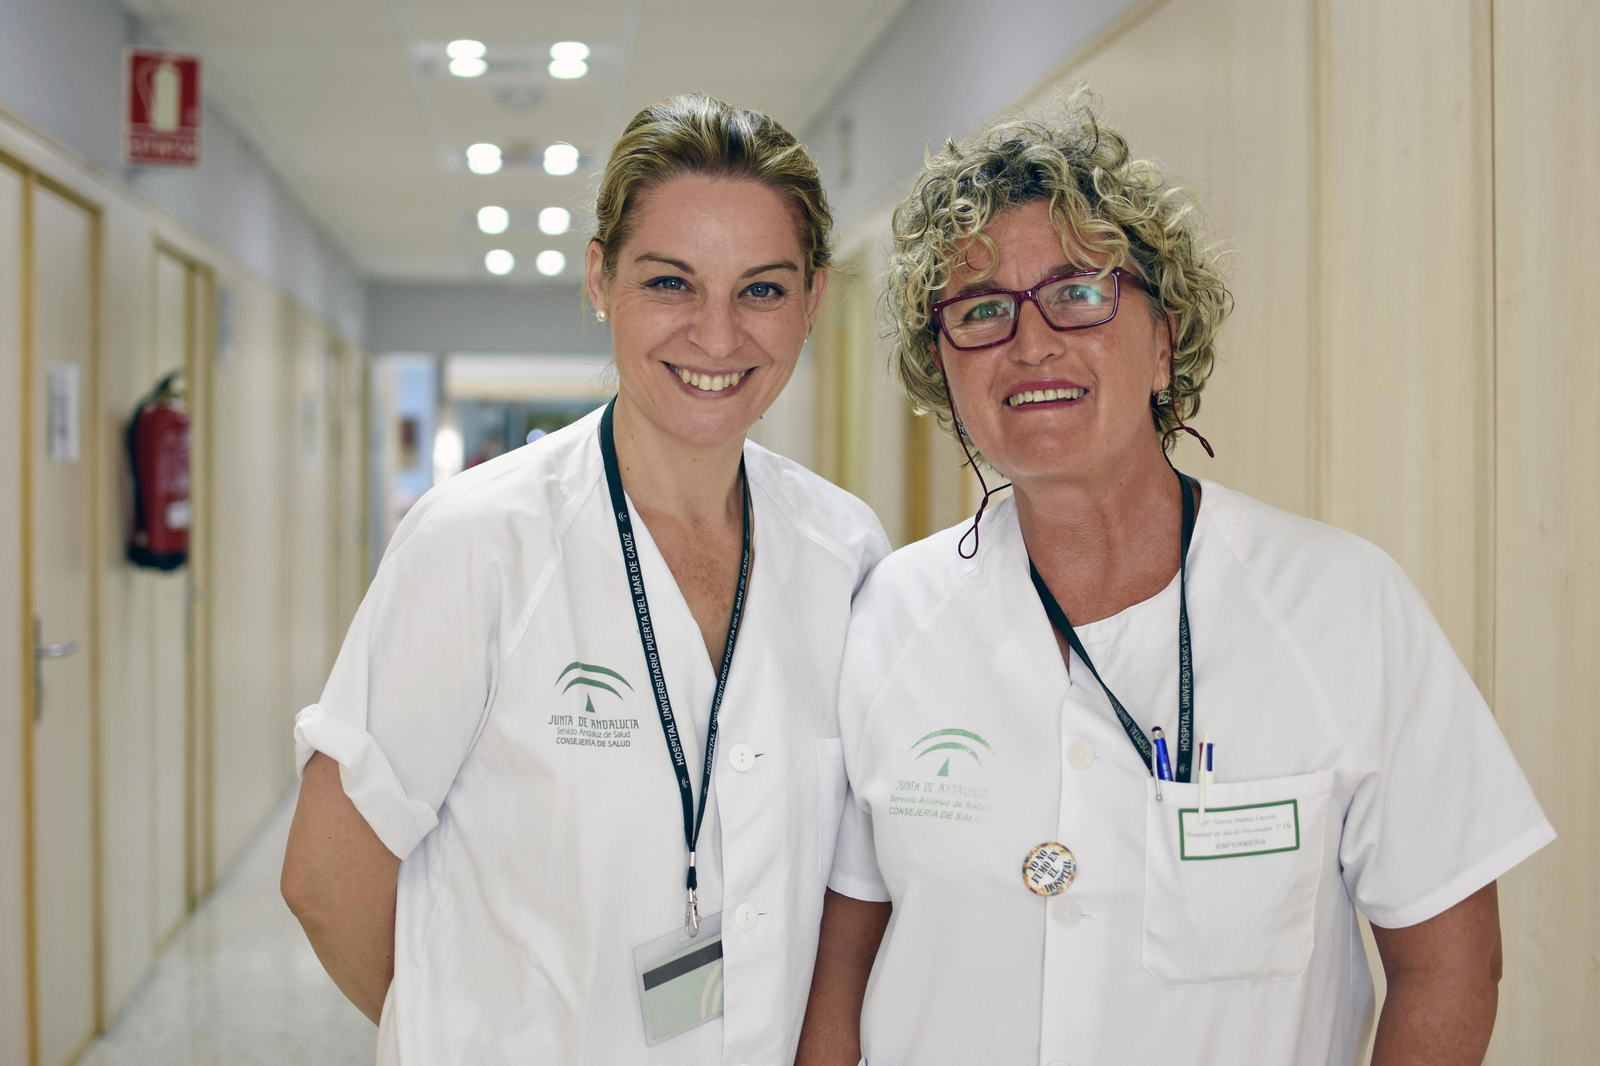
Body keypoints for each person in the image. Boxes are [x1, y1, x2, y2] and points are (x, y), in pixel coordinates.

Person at [797, 101, 1553, 1066]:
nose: (1029, 343)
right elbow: (842, 978)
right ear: (942, 371)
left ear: (1166, 338)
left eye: (1079, 293)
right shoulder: (888, 617)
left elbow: (1448, 966)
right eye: (981, 310)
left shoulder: (1342, 608)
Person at [281, 93, 887, 1064]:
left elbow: (851, 872)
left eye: (762, 290)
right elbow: (326, 873)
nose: (718, 334)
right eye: (671, 282)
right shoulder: (477, 542)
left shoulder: (844, 551)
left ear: (813, 299)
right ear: (600, 278)